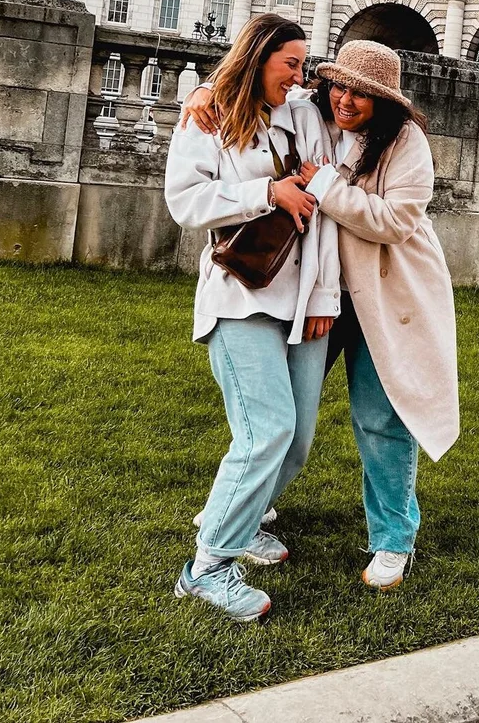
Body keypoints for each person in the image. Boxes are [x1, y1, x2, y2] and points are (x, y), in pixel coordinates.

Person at [184, 40, 460, 591]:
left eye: (363, 94)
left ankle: (392, 539)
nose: (347, 101)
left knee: (381, 418)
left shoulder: (406, 143)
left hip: (387, 297)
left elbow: (393, 222)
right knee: (283, 418)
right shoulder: (313, 113)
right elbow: (259, 97)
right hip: (314, 289)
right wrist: (205, 90)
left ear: (385, 103)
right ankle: (247, 511)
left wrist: (326, 185)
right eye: (341, 86)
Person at [164, 14, 341, 622]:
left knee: (295, 445)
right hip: (240, 296)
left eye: (303, 64)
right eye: (289, 63)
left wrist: (323, 299)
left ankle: (247, 515)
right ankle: (208, 566)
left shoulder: (303, 113)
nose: (299, 77)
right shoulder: (210, 117)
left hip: (302, 299)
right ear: (258, 57)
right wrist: (266, 193)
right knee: (265, 430)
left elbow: (330, 209)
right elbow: (185, 202)